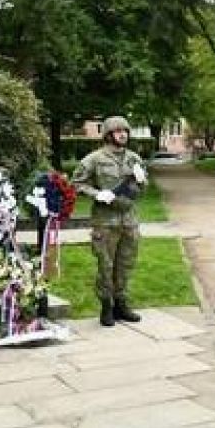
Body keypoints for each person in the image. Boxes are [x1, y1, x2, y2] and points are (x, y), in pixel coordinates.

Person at [71, 116, 148, 326]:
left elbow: (142, 189)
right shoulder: (94, 159)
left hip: (129, 220)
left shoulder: (133, 158)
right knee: (106, 265)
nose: (123, 134)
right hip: (105, 222)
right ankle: (106, 306)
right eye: (118, 131)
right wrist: (96, 194)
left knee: (126, 263)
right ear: (108, 135)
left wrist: (142, 180)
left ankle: (121, 304)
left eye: (125, 131)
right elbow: (76, 183)